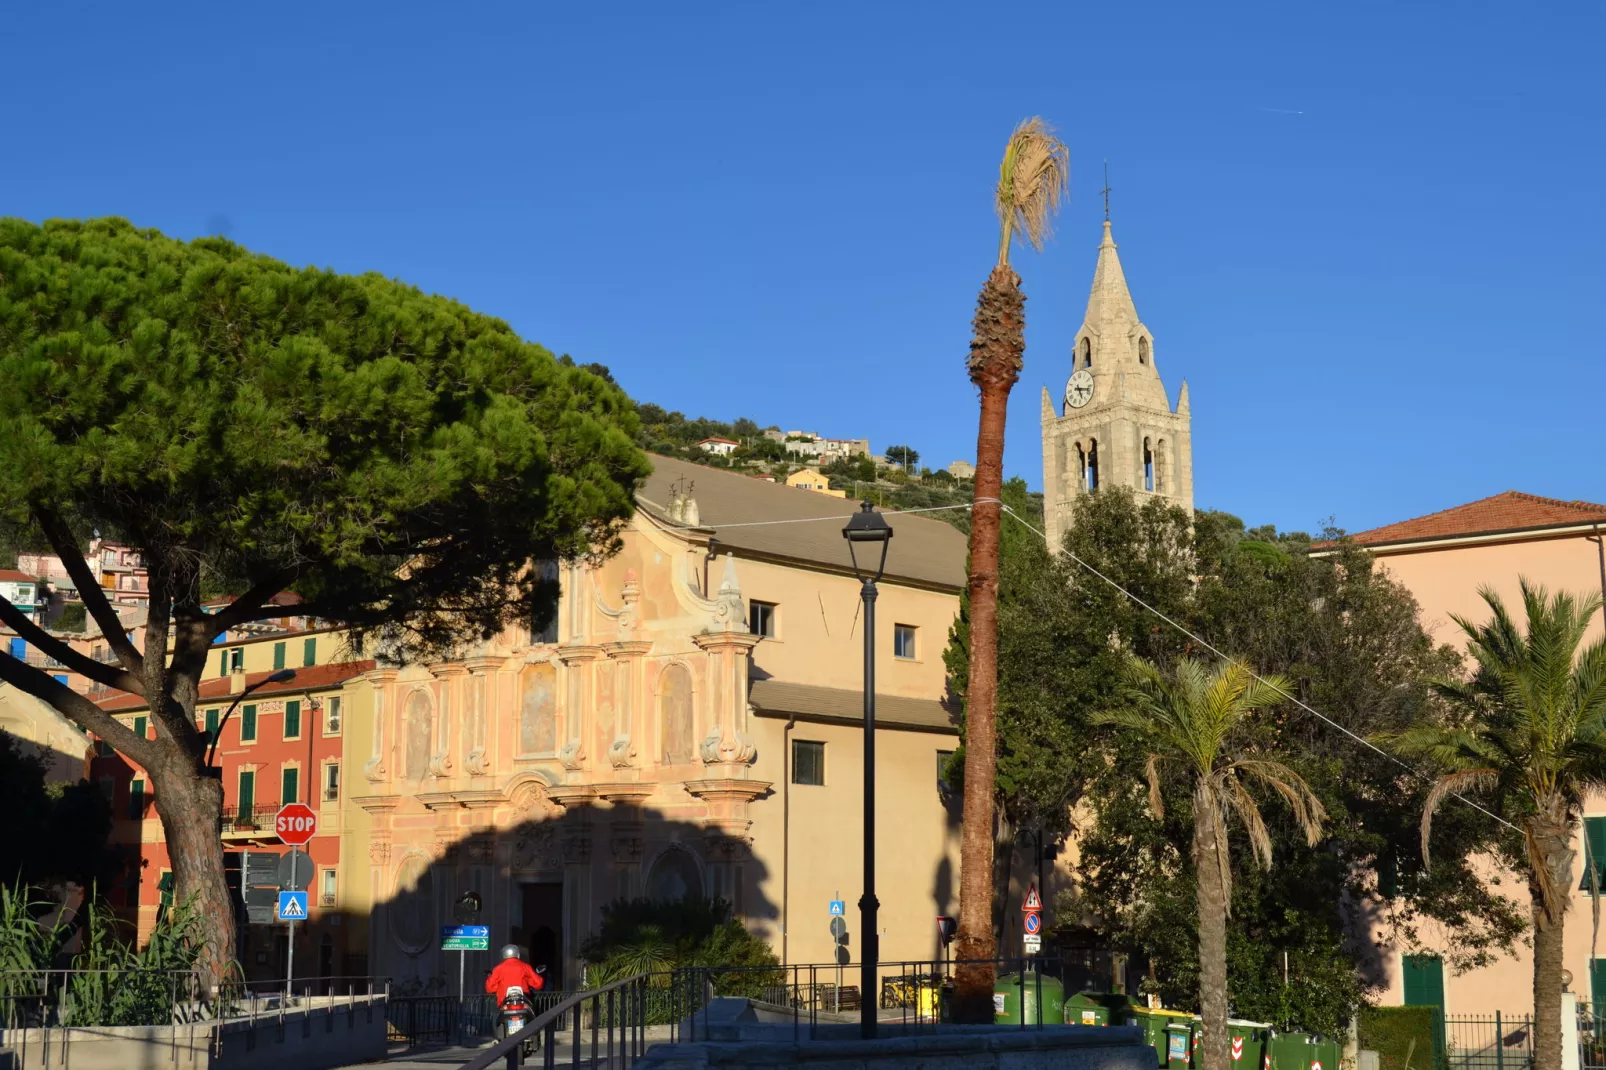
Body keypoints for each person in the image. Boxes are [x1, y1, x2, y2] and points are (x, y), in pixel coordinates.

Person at [485, 944, 544, 1008]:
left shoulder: (498, 968)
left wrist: (498, 986)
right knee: (533, 1015)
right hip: (523, 1002)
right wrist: (528, 981)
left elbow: (489, 988)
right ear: (517, 954)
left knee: (497, 1016)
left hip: (504, 1003)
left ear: (503, 955)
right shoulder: (525, 966)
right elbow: (538, 983)